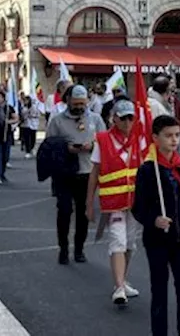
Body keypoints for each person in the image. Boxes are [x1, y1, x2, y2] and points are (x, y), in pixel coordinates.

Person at [133, 115, 180, 336]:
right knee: (159, 291)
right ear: (155, 138)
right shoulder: (148, 170)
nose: (174, 140)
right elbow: (138, 207)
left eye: (177, 135)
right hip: (158, 241)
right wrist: (154, 219)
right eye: (168, 136)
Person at [87, 99, 142, 306]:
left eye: (131, 118)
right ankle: (118, 287)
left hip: (135, 202)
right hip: (113, 202)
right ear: (114, 119)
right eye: (123, 118)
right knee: (118, 241)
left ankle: (123, 279)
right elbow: (94, 174)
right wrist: (88, 204)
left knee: (130, 243)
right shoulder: (102, 140)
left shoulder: (139, 140)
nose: (128, 122)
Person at [46, 84, 106, 265]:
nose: (80, 107)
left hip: (87, 173)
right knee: (64, 211)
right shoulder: (57, 120)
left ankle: (79, 249)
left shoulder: (95, 119)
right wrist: (66, 148)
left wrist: (92, 146)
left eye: (83, 103)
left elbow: (105, 143)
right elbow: (49, 145)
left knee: (83, 213)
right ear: (68, 101)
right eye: (76, 103)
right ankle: (63, 248)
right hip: (64, 173)